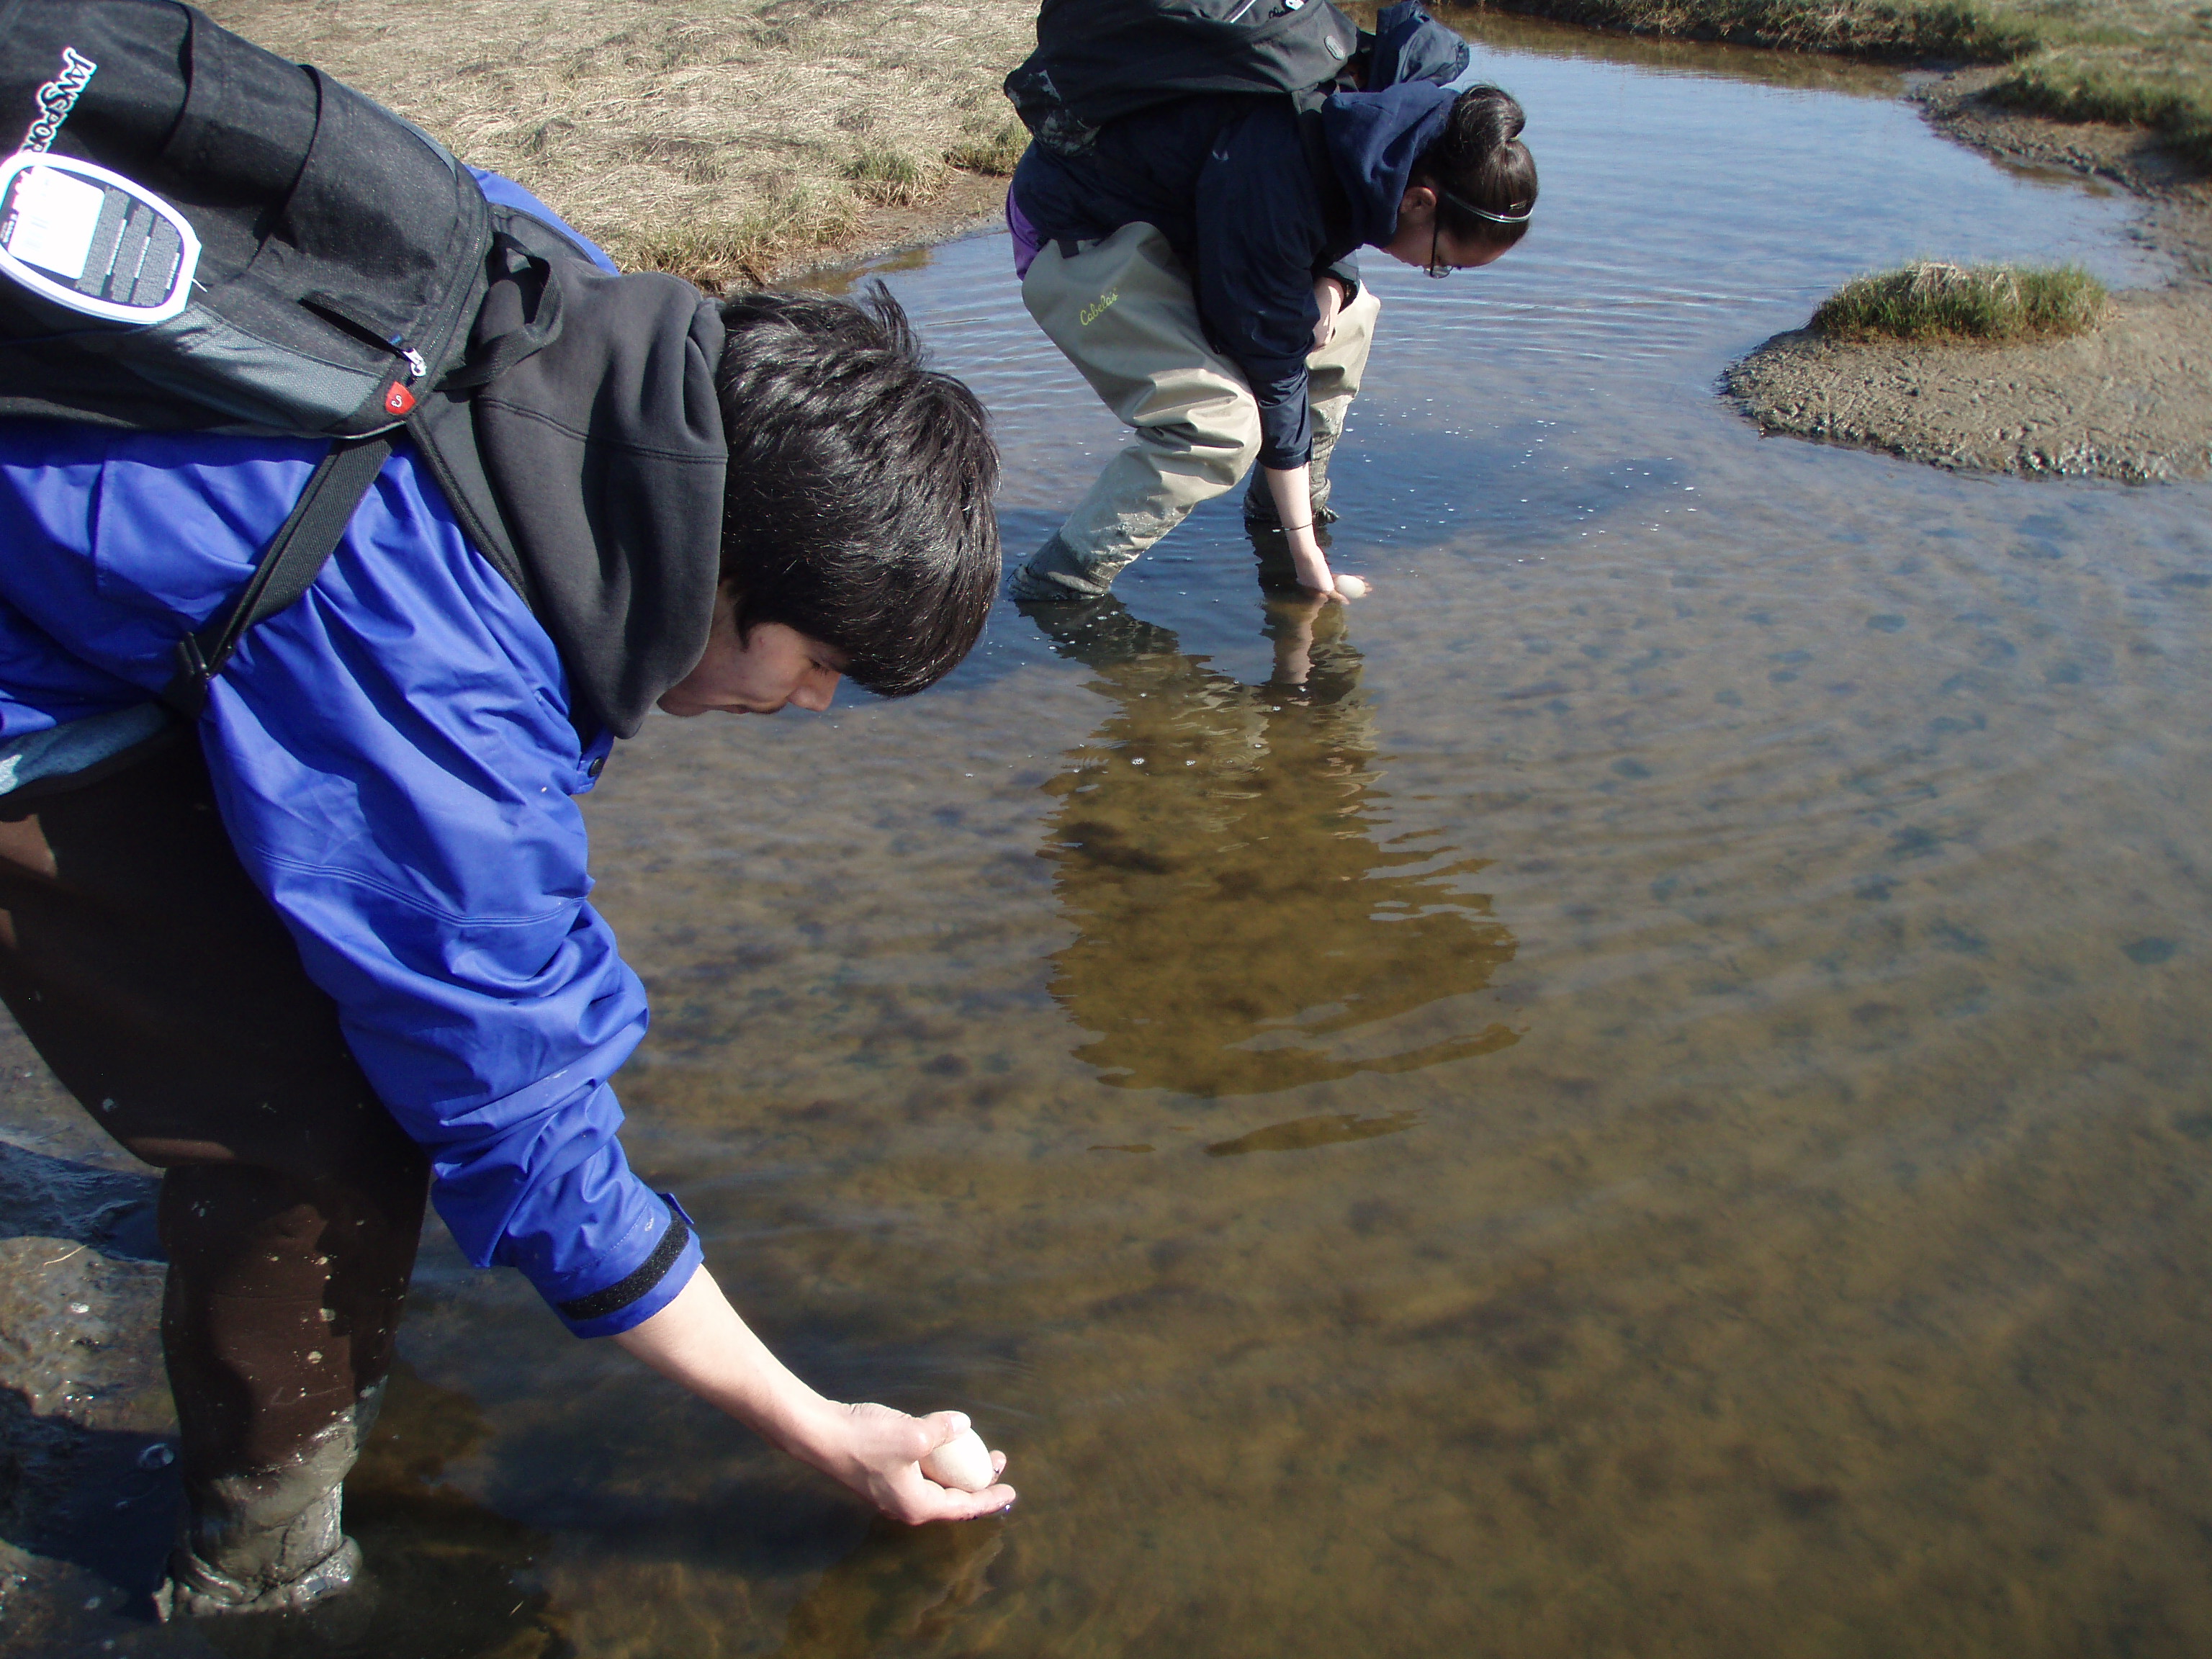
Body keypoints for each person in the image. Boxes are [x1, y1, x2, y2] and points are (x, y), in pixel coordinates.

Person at [0, 174, 1012, 1621]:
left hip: (101, 540)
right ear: (738, 577)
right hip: (23, 656)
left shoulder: (577, 321)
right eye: (820, 667)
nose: (808, 708)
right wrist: (826, 1428)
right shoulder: (445, 662)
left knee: (348, 1014)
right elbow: (521, 1116)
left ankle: (172, 1225)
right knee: (322, 1129)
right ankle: (261, 1570)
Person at [1002, 6, 1537, 606]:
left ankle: (1281, 513)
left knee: (1350, 321)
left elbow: (1338, 201)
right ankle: (1056, 586)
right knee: (1218, 425)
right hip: (1076, 234)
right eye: (1443, 262)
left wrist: (1333, 279)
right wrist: (1309, 557)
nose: (1429, 271)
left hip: (1189, 225)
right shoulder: (1279, 177)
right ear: (1420, 201)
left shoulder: (1391, 114)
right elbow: (1275, 366)